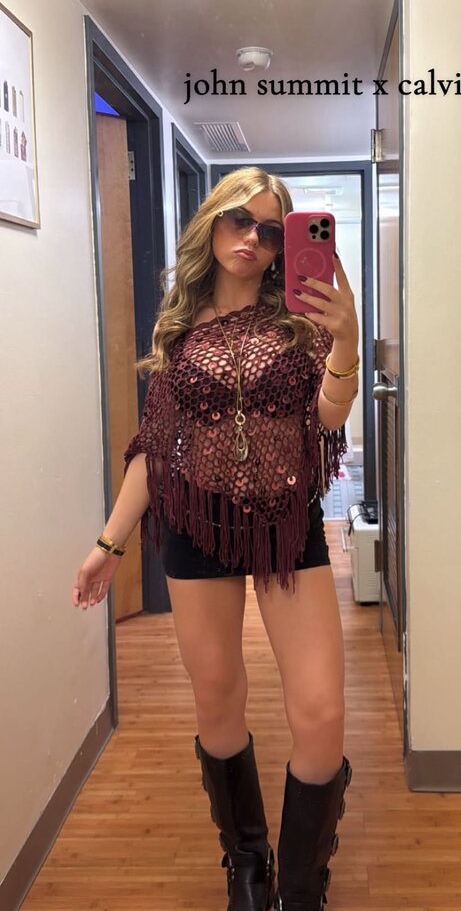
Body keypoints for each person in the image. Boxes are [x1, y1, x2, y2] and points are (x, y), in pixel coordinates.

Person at [71, 167, 359, 911]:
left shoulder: (302, 319)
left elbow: (329, 420)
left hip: (287, 524)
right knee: (219, 701)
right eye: (239, 220)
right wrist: (109, 545)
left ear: (285, 244)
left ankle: (302, 886)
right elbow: (154, 447)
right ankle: (249, 866)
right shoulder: (180, 324)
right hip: (196, 523)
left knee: (322, 714)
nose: (253, 239)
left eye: (270, 230)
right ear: (212, 223)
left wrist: (346, 342)